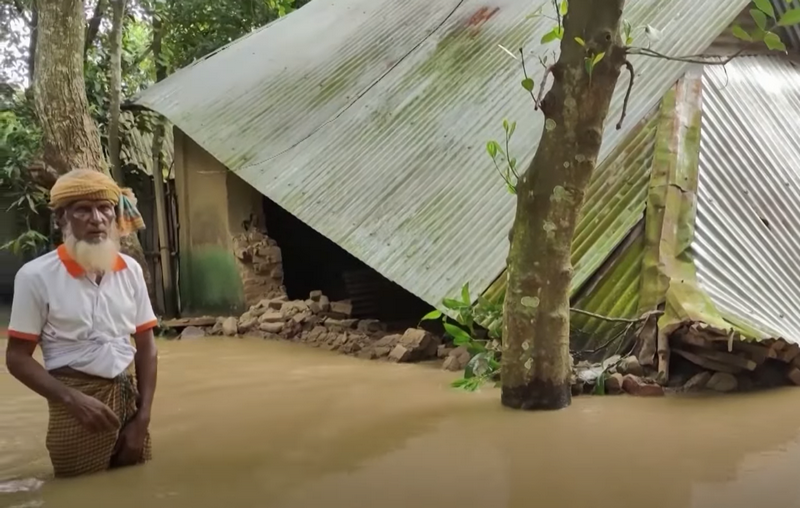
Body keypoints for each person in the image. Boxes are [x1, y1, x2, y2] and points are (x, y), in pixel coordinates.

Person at [4, 169, 158, 478]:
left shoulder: (129, 270)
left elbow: (147, 348)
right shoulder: (36, 277)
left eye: (104, 209)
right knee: (78, 490)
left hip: (130, 401)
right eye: (83, 210)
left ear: (115, 216)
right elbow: (17, 358)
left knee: (136, 485)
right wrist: (72, 400)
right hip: (74, 404)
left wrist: (142, 419)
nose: (97, 218)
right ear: (62, 218)